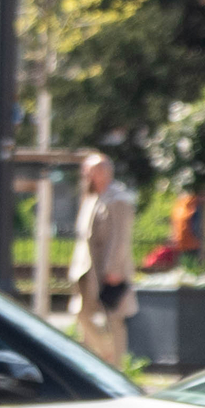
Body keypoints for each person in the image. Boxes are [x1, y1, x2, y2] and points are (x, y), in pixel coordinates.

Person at [70, 152, 137, 368]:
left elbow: (121, 237)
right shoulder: (91, 197)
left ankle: (115, 367)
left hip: (108, 271)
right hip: (86, 270)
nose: (86, 174)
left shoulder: (118, 199)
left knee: (113, 319)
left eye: (92, 170)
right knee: (81, 314)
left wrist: (114, 269)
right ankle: (100, 358)